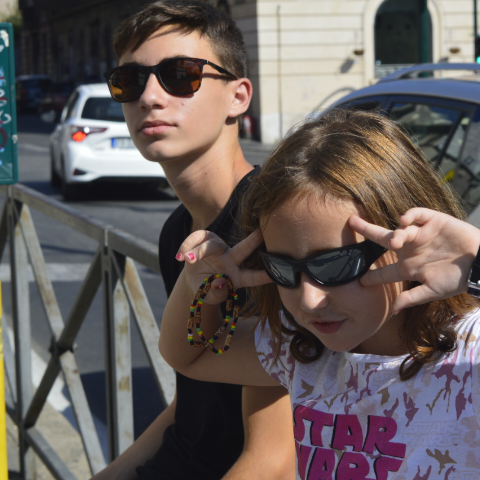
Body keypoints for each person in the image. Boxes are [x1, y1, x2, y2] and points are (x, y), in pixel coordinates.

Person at [160, 108, 480, 478]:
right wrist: (197, 287)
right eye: (283, 269)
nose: (309, 300)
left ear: (407, 241)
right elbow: (191, 355)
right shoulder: (302, 352)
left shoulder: (469, 354)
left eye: (334, 266)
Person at [93, 1, 295, 479]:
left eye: (180, 76)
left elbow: (273, 461)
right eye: (129, 80)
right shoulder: (178, 232)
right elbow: (193, 404)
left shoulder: (269, 227)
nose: (149, 97)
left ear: (238, 97)